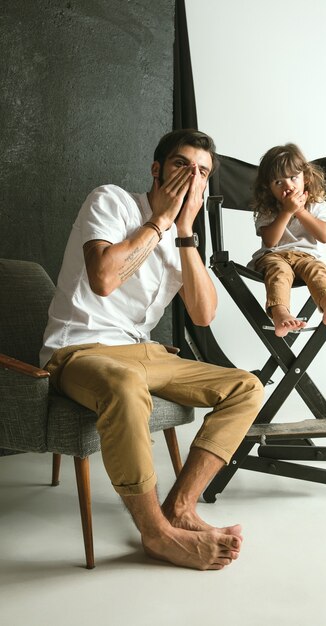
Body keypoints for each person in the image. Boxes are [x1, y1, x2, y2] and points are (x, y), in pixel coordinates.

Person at [40, 129, 264, 571]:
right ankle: (156, 534)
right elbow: (104, 279)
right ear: (157, 170)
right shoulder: (112, 201)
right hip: (79, 349)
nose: (192, 176)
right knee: (123, 383)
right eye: (182, 164)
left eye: (202, 172)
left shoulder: (182, 235)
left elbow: (203, 315)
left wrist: (183, 234)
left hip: (144, 352)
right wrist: (159, 222)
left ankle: (180, 508)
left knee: (246, 386)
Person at [249, 143, 326, 337]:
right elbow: (270, 241)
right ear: (268, 188)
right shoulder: (267, 209)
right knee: (278, 272)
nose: (288, 186)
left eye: (293, 178)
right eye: (278, 182)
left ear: (306, 177)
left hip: (307, 256)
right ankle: (280, 315)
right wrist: (287, 211)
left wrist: (301, 211)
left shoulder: (317, 205)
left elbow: (324, 235)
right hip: (274, 256)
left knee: (319, 270)